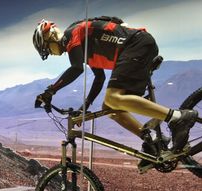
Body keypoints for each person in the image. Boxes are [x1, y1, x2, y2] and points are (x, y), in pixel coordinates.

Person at [32, 17, 198, 169]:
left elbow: (76, 68)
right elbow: (99, 78)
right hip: (134, 47)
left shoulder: (71, 35)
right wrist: (85, 107)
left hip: (135, 45)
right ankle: (152, 142)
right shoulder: (83, 45)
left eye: (47, 47)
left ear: (51, 35)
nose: (50, 53)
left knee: (114, 97)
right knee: (110, 108)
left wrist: (50, 91)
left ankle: (178, 118)